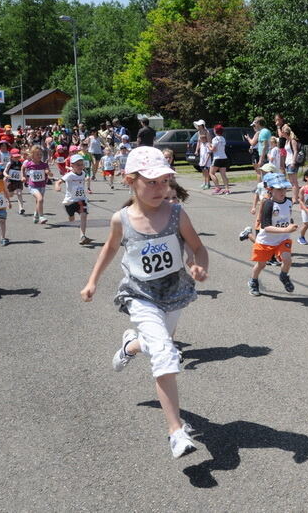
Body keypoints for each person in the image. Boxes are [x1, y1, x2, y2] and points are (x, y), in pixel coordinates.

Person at [80, 146, 208, 459]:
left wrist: (197, 264)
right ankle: (175, 431)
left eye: (164, 182)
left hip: (174, 293)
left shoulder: (177, 213)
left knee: (155, 343)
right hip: (140, 296)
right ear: (130, 180)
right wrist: (92, 281)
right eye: (150, 182)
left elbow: (197, 247)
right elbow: (109, 250)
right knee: (165, 353)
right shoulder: (120, 219)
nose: (159, 189)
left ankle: (129, 347)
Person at [248, 173, 296, 296]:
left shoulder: (289, 202)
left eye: (284, 188)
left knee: (287, 260)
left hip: (282, 239)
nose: (283, 192)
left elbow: (285, 217)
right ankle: (253, 281)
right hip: (266, 240)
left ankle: (283, 276)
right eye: (279, 189)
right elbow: (266, 227)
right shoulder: (268, 204)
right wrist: (286, 230)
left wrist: (290, 224)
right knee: (261, 264)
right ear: (270, 189)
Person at [55, 155, 92, 245]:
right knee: (71, 219)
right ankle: (71, 216)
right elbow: (58, 181)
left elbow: (83, 181)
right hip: (70, 201)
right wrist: (57, 186)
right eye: (77, 165)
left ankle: (82, 236)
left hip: (81, 200)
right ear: (72, 165)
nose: (80, 167)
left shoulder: (83, 173)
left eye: (81, 164)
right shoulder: (69, 175)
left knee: (84, 215)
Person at [22, 145, 52, 224]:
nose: (40, 156)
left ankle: (36, 214)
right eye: (37, 154)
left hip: (42, 186)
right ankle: (41, 216)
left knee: (39, 201)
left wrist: (49, 173)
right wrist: (23, 176)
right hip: (32, 186)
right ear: (32, 155)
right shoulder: (29, 163)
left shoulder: (44, 164)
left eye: (41, 154)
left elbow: (48, 171)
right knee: (40, 199)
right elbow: (23, 168)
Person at [281, 124, 301, 203]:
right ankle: (295, 197)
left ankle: (295, 199)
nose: (282, 134)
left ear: (286, 133)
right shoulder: (286, 141)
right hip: (288, 162)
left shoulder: (292, 140)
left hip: (292, 162)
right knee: (291, 181)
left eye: (283, 132)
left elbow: (295, 151)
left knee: (294, 181)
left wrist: (293, 161)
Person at [208, 124, 230, 195]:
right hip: (224, 157)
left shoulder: (214, 139)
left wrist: (209, 146)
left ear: (215, 131)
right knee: (223, 174)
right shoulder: (223, 138)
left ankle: (217, 187)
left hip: (217, 158)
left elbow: (213, 149)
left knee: (211, 173)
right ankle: (227, 189)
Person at [4, 148, 26, 215]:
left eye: (18, 157)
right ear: (11, 156)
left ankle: (21, 208)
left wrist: (24, 177)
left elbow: (23, 171)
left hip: (18, 181)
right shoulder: (9, 163)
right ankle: (7, 197)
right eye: (15, 157)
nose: (17, 158)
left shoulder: (21, 163)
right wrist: (6, 175)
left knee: (19, 193)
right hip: (11, 181)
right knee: (11, 195)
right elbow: (4, 171)